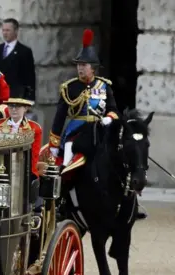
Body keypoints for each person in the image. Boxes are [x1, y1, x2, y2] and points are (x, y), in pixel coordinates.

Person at [41, 29, 118, 173]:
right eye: (78, 65)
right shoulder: (70, 87)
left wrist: (108, 118)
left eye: (84, 65)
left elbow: (114, 110)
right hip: (77, 130)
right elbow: (59, 118)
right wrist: (54, 145)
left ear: (93, 68)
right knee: (68, 158)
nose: (80, 68)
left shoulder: (104, 86)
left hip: (99, 128)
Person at [0, 86, 44, 181]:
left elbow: (34, 156)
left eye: (17, 106)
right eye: (11, 106)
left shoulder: (35, 128)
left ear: (25, 108)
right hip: (1, 169)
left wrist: (29, 175)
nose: (14, 109)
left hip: (23, 171)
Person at [0, 18, 36, 102]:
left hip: (16, 96)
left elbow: (30, 77)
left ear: (16, 31)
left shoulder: (24, 51)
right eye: (3, 30)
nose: (5, 33)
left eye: (8, 30)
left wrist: (30, 99)